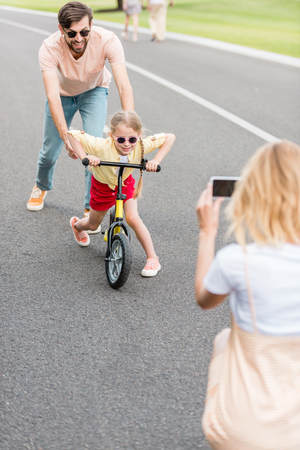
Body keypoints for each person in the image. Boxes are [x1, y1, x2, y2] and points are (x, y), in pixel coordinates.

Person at [195, 140, 300, 449]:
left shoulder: (236, 259)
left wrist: (206, 233)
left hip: (237, 433)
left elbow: (204, 298)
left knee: (225, 339)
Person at [27, 1, 134, 235]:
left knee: (93, 150)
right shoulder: (49, 48)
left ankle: (90, 208)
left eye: (84, 32)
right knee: (49, 151)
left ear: (91, 26)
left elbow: (124, 86)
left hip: (94, 91)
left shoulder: (108, 40)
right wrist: (66, 137)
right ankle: (41, 185)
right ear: (61, 29)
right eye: (72, 33)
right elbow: (52, 96)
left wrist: (131, 131)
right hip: (63, 96)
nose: (78, 38)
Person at [67, 110, 176, 277]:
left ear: (139, 136)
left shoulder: (140, 146)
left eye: (132, 139)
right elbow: (72, 134)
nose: (127, 144)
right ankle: (76, 225)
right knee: (92, 225)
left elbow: (170, 137)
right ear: (111, 136)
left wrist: (155, 160)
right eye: (121, 139)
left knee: (132, 217)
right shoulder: (100, 146)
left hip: (125, 184)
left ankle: (153, 258)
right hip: (102, 187)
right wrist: (86, 157)